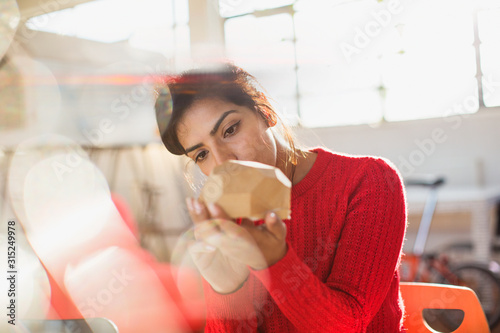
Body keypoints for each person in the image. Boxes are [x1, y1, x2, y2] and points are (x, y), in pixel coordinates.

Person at [154, 62, 407, 332]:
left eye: (230, 130)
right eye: (201, 154)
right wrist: (227, 289)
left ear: (264, 111)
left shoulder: (368, 181)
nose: (223, 162)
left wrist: (277, 261)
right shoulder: (228, 215)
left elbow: (349, 324)